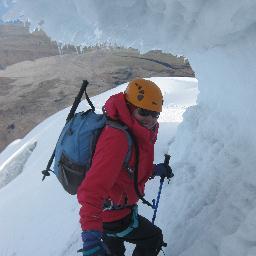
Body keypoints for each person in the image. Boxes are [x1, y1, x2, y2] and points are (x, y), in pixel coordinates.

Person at [77, 78, 172, 256]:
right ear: (129, 106)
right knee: (153, 238)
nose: (150, 119)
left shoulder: (131, 130)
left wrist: (153, 170)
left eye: (155, 114)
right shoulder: (117, 139)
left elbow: (127, 168)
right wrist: (90, 239)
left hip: (110, 214)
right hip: (115, 217)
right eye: (144, 111)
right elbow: (91, 190)